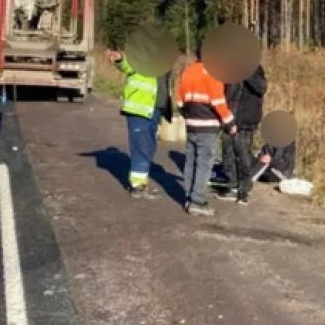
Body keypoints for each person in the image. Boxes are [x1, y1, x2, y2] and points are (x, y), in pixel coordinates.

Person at [176, 42, 236, 216]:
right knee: (204, 164)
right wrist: (230, 122)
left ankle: (189, 196)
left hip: (191, 124)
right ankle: (198, 200)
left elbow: (179, 100)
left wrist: (188, 116)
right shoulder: (213, 74)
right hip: (208, 126)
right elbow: (218, 102)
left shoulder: (188, 71)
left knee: (191, 161)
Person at [109, 50, 173, 199]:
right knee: (141, 147)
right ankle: (137, 186)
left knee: (149, 147)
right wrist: (120, 59)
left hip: (154, 111)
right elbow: (126, 65)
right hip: (139, 111)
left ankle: (140, 183)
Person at [216, 63, 268, 205]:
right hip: (229, 117)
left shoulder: (255, 68)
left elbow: (262, 87)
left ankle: (244, 189)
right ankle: (231, 184)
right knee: (228, 152)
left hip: (246, 119)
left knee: (243, 153)